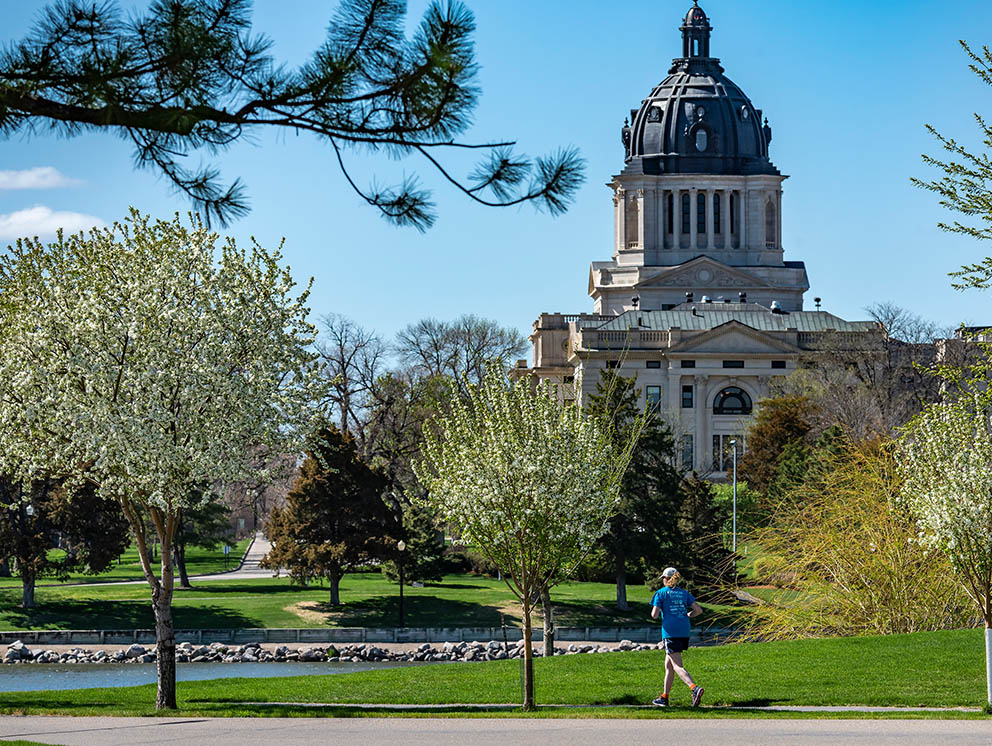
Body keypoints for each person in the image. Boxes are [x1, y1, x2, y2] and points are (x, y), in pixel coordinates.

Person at [650, 567, 704, 707]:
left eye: (663, 578)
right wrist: (688, 615)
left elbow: (654, 615)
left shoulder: (660, 593)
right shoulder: (684, 593)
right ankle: (664, 697)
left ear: (666, 579)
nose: (662, 580)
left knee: (677, 666)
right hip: (684, 631)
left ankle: (694, 689)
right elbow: (698, 610)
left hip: (671, 632)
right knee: (668, 665)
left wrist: (661, 609)